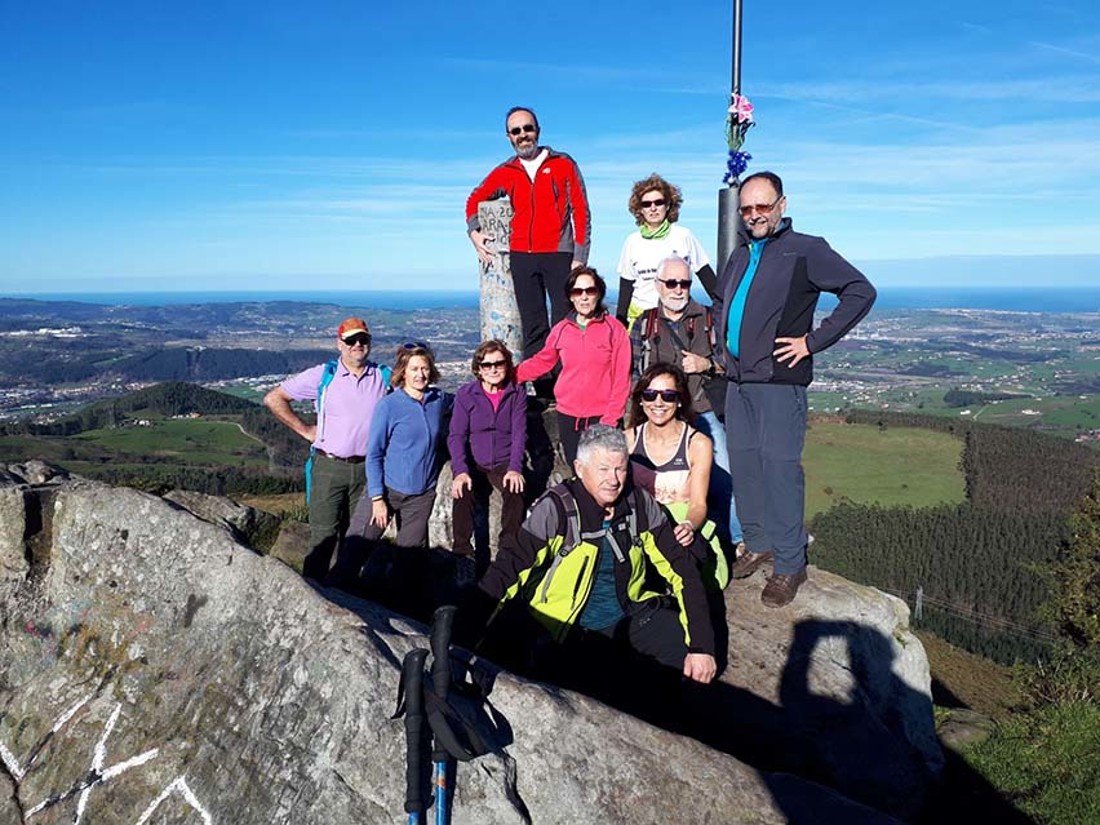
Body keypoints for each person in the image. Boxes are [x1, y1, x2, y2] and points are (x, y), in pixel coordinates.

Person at [715, 171, 876, 607]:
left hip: (778, 382)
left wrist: (812, 341)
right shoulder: (740, 254)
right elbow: (724, 304)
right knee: (744, 466)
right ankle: (758, 543)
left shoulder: (805, 250)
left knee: (781, 471)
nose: (753, 215)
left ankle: (789, 565)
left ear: (782, 205)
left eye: (762, 207)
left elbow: (860, 291)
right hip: (738, 380)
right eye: (746, 209)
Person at [473, 424, 717, 685]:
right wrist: (467, 632)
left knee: (688, 660)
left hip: (628, 614)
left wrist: (702, 647)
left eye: (621, 469)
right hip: (564, 626)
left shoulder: (639, 504)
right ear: (579, 469)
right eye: (603, 469)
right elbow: (509, 568)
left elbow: (682, 570)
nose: (613, 480)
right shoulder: (556, 509)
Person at [465, 106, 591, 381]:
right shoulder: (506, 171)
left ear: (538, 130)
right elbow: (474, 199)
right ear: (509, 137)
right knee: (534, 324)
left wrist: (580, 257)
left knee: (564, 322)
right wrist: (474, 232)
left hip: (559, 253)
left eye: (527, 128)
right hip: (522, 255)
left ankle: (567, 384)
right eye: (516, 131)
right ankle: (544, 389)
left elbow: (580, 210)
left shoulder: (563, 163)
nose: (523, 135)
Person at [263, 317, 388, 581]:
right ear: (339, 344)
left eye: (362, 340)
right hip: (328, 467)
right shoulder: (324, 375)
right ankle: (314, 596)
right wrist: (305, 430)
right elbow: (274, 398)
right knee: (323, 536)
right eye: (351, 340)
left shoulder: (383, 376)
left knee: (358, 540)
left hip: (368, 470)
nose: (357, 345)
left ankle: (349, 597)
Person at [630, 257, 742, 551]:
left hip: (702, 410)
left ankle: (735, 541)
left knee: (724, 477)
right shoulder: (645, 323)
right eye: (671, 283)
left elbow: (730, 363)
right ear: (658, 285)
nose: (678, 289)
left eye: (684, 283)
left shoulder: (708, 320)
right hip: (659, 416)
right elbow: (633, 374)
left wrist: (705, 363)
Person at [624, 364, 727, 590]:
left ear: (680, 400)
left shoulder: (698, 444)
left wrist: (689, 526)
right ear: (640, 400)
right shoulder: (628, 440)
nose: (658, 403)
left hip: (679, 528)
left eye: (668, 396)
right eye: (649, 395)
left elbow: (699, 503)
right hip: (640, 529)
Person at [516, 267, 631, 466]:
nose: (584, 297)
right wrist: (509, 375)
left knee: (602, 474)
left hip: (602, 417)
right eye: (578, 292)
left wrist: (611, 419)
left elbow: (622, 377)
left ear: (599, 294)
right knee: (576, 470)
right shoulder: (561, 330)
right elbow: (543, 361)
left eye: (590, 291)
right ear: (571, 297)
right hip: (568, 417)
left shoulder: (615, 330)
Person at [358, 344, 451, 549]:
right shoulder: (389, 406)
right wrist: (377, 498)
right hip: (387, 489)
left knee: (408, 561)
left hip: (421, 496)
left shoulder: (438, 400)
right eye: (414, 369)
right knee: (356, 548)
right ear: (403, 372)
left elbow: (466, 402)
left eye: (424, 368)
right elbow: (374, 454)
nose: (420, 374)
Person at [447, 340, 527, 570]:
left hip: (502, 459)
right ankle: (462, 549)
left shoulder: (516, 393)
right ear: (478, 369)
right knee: (462, 492)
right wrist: (460, 471)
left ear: (507, 365)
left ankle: (508, 548)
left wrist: (515, 467)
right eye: (487, 365)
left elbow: (519, 433)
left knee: (515, 490)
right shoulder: (466, 394)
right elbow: (456, 435)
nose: (493, 369)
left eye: (499, 364)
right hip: (475, 459)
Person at [616, 173, 718, 327]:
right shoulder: (632, 242)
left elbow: (706, 276)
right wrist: (620, 322)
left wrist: (722, 310)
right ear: (639, 209)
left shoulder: (683, 236)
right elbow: (626, 286)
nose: (653, 208)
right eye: (646, 204)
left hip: (678, 317)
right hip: (641, 320)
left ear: (668, 205)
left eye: (659, 202)